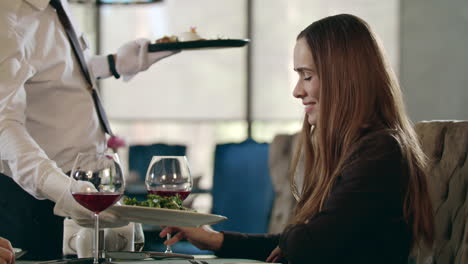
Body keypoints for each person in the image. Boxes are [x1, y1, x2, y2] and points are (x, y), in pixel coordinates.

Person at [159, 14, 435, 264]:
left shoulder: (380, 151)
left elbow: (309, 245)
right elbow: (300, 243)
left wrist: (295, 238)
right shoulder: (360, 148)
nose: (297, 91)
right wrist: (213, 239)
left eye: (307, 76)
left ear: (344, 78)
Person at [0, 0, 178, 260]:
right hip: (34, 199)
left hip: (84, 188)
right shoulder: (8, 17)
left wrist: (114, 64)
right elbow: (3, 125)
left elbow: (55, 73)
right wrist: (61, 189)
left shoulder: (57, 6)